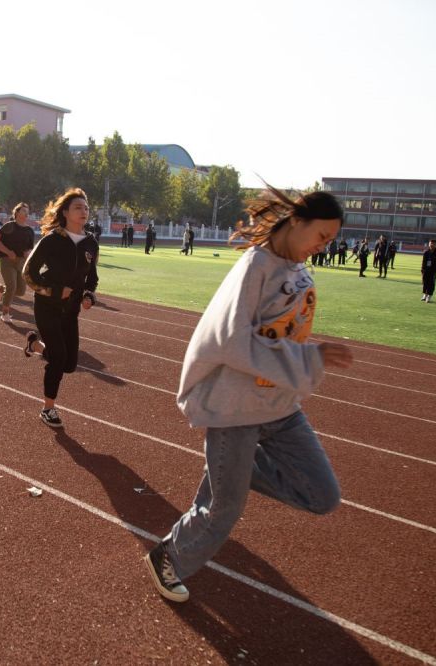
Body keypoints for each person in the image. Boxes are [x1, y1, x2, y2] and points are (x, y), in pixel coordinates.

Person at [143, 185, 352, 604]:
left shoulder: (297, 268)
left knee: (322, 495)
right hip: (235, 410)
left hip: (279, 405)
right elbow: (231, 340)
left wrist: (303, 359)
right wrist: (310, 360)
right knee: (224, 510)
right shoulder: (255, 266)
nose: (323, 247)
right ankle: (168, 556)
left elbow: (284, 328)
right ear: (296, 222)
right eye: (321, 237)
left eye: (330, 241)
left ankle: (234, 470)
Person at [22, 188, 99, 428]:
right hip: (47, 306)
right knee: (57, 360)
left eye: (86, 208)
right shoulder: (52, 240)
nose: (83, 211)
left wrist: (88, 295)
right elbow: (28, 274)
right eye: (78, 207)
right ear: (65, 212)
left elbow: (92, 278)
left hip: (71, 311)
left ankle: (34, 344)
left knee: (69, 364)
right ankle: (48, 409)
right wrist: (53, 291)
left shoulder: (90, 243)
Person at [0, 202, 36, 323]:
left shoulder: (29, 231)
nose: (26, 213)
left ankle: (1, 289)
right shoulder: (8, 226)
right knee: (12, 287)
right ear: (16, 213)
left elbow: (30, 248)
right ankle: (5, 313)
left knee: (21, 291)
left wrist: (28, 253)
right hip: (7, 261)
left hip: (21, 263)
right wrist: (8, 251)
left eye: (27, 211)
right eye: (23, 210)